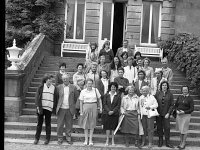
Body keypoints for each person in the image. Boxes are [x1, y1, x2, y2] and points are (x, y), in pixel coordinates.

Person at [55, 74, 79, 145]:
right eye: (64, 79)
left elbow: (76, 98)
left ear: (69, 79)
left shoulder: (73, 87)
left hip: (70, 109)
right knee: (60, 125)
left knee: (69, 125)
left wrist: (75, 109)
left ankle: (68, 138)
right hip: (61, 108)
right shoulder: (58, 87)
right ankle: (60, 138)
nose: (65, 80)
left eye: (66, 78)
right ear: (62, 80)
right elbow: (56, 98)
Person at [34, 74, 57, 145]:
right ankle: (36, 138)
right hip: (41, 108)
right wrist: (38, 107)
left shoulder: (54, 88)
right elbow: (37, 97)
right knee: (39, 124)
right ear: (46, 80)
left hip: (49, 108)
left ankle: (47, 139)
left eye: (51, 80)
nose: (50, 81)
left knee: (48, 124)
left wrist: (54, 107)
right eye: (49, 80)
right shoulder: (41, 87)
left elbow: (55, 98)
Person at [79, 78, 103, 146]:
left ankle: (90, 140)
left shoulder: (95, 90)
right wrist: (81, 112)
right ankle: (86, 140)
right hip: (85, 107)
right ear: (86, 84)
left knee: (92, 124)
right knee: (85, 124)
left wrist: (101, 107)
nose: (89, 85)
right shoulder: (83, 91)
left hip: (94, 107)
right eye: (88, 83)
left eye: (91, 83)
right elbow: (81, 102)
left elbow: (99, 99)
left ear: (92, 84)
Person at [155, 81, 174, 148]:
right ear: (161, 86)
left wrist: (168, 113)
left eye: (165, 85)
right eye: (163, 85)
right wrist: (155, 112)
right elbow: (154, 103)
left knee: (167, 128)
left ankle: (167, 142)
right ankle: (160, 141)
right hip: (158, 114)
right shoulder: (157, 93)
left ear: (167, 86)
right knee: (159, 128)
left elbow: (172, 105)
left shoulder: (170, 94)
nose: (164, 86)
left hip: (166, 114)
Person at [174, 85, 194, 150]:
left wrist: (184, 112)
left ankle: (183, 143)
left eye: (186, 90)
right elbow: (176, 105)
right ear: (181, 90)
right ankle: (181, 142)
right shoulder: (179, 97)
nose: (184, 91)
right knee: (180, 129)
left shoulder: (190, 98)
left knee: (184, 130)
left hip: (186, 115)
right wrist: (176, 110)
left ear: (188, 90)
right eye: (183, 90)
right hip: (179, 115)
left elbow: (192, 109)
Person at [102, 82, 121, 146]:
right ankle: (107, 139)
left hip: (114, 114)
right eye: (112, 87)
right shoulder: (106, 95)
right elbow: (104, 104)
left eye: (114, 87)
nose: (113, 88)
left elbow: (118, 105)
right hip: (107, 113)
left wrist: (113, 111)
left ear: (116, 88)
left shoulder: (118, 96)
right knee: (107, 127)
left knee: (113, 128)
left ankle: (113, 140)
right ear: (110, 87)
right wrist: (108, 111)